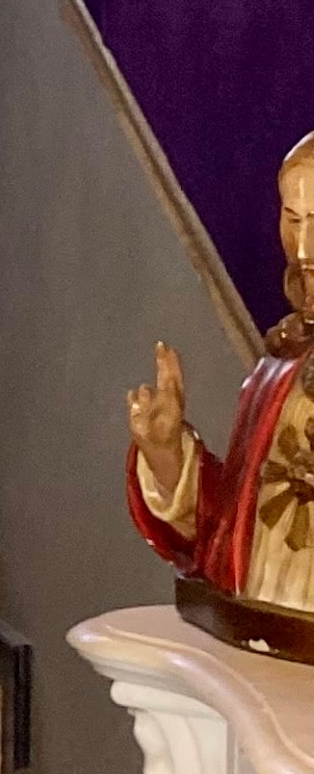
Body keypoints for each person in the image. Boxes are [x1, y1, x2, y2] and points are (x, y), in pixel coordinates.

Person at [128, 126, 314, 613]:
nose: (302, 251)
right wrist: (167, 456)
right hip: (255, 644)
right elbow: (228, 530)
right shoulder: (281, 366)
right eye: (292, 219)